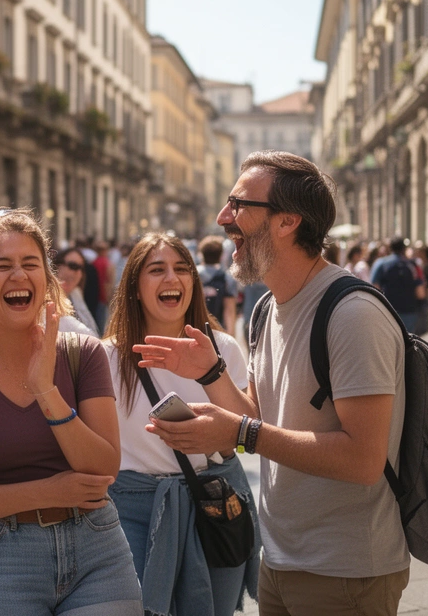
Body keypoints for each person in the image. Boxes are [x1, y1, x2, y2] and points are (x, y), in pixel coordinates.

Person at [142, 150, 409, 616]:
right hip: (281, 556)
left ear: (286, 222)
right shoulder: (267, 309)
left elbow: (364, 459)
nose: (224, 217)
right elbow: (260, 416)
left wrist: (239, 435)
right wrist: (210, 374)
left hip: (344, 568)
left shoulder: (353, 315)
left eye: (239, 204)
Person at [0, 209, 143, 616]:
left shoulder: (83, 354)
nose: (18, 275)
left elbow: (104, 468)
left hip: (97, 552)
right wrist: (45, 493)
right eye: (1, 266)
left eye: (30, 264)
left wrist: (46, 390)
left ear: (48, 281)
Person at [105, 233, 258, 615]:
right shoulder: (106, 357)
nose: (172, 278)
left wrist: (212, 373)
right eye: (157, 270)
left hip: (213, 501)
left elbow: (249, 431)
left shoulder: (222, 348)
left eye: (181, 269)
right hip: (132, 512)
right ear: (135, 288)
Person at [370, 236, 427, 335]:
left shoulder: (381, 264)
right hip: (409, 311)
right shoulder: (413, 265)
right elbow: (420, 293)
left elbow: (374, 287)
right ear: (404, 249)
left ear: (390, 248)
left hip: (387, 311)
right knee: (407, 345)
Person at [55, 247, 99, 336]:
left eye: (81, 268)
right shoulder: (44, 296)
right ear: (57, 266)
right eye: (73, 266)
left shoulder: (76, 295)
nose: (78, 272)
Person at [198, 235, 238, 334]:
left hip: (195, 330)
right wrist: (231, 336)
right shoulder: (226, 277)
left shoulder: (193, 274)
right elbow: (229, 310)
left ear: (202, 254)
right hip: (219, 332)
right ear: (221, 255)